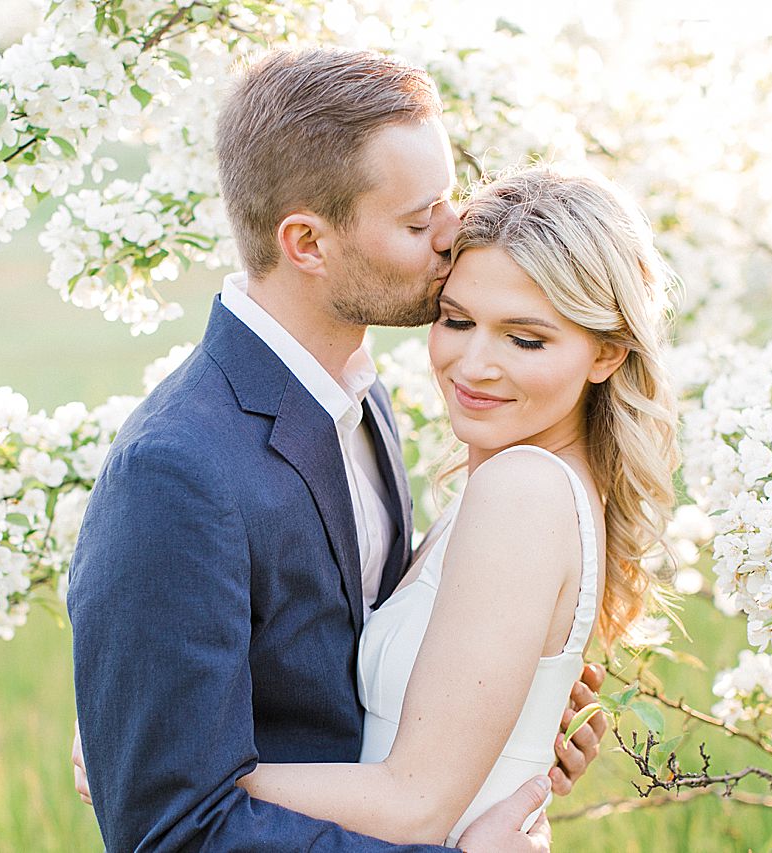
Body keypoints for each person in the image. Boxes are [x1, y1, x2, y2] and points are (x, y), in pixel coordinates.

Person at [67, 48, 611, 852]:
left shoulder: (359, 397)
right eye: (418, 220)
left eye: (449, 202)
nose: (454, 233)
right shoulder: (178, 470)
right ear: (308, 243)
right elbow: (175, 830)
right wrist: (138, 751)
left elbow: (352, 669)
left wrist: (505, 719)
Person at [233, 165, 680, 845]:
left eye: (524, 338)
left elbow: (413, 803)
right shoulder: (515, 483)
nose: (473, 365)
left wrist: (165, 769)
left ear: (607, 354)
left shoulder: (523, 491)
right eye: (458, 320)